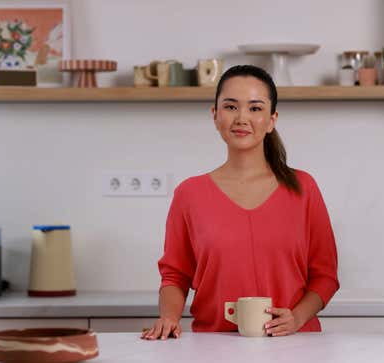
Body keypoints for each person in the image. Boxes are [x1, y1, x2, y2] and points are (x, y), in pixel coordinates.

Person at [141, 65, 339, 340]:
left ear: (271, 120)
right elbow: (175, 276)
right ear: (215, 115)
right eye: (231, 107)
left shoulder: (303, 188)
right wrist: (168, 318)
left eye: (255, 108)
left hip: (295, 346)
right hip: (213, 348)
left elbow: (325, 276)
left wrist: (297, 318)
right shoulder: (189, 194)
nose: (242, 118)